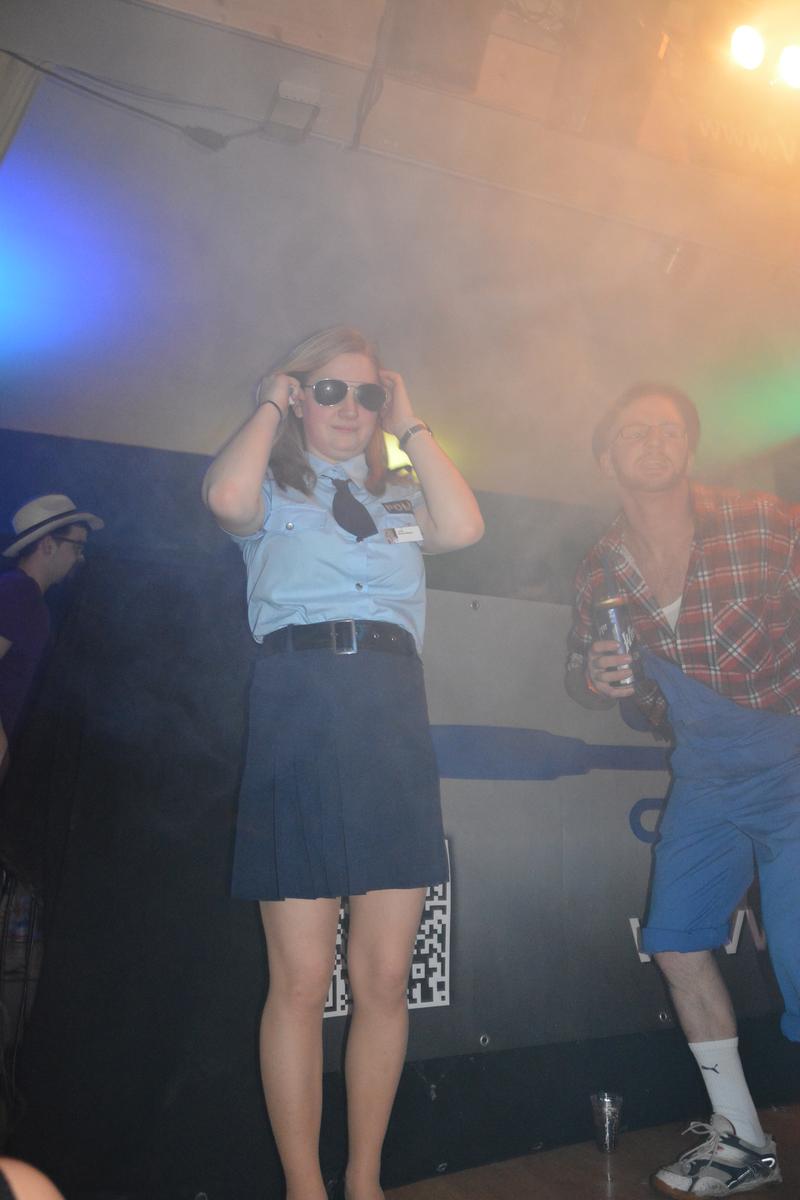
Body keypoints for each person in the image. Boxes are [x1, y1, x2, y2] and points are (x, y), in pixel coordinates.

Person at [202, 326, 483, 1200]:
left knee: (385, 977)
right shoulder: (271, 491)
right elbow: (223, 495)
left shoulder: (397, 498)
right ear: (298, 396)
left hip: (391, 715)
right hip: (299, 707)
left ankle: (364, 1182)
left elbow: (466, 526)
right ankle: (305, 1188)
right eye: (329, 390)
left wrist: (411, 423)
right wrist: (271, 402)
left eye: (367, 393)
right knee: (298, 980)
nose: (350, 408)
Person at [565, 383, 798, 1197]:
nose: (655, 441)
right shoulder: (601, 567)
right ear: (607, 458)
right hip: (704, 772)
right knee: (674, 941)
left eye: (669, 429)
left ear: (690, 449)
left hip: (791, 754)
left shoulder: (760, 521)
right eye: (635, 431)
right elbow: (582, 671)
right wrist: (595, 680)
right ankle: (742, 1141)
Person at [0, 494, 103, 783]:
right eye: (77, 547)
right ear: (48, 545)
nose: (80, 558)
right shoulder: (18, 593)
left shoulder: (23, 595)